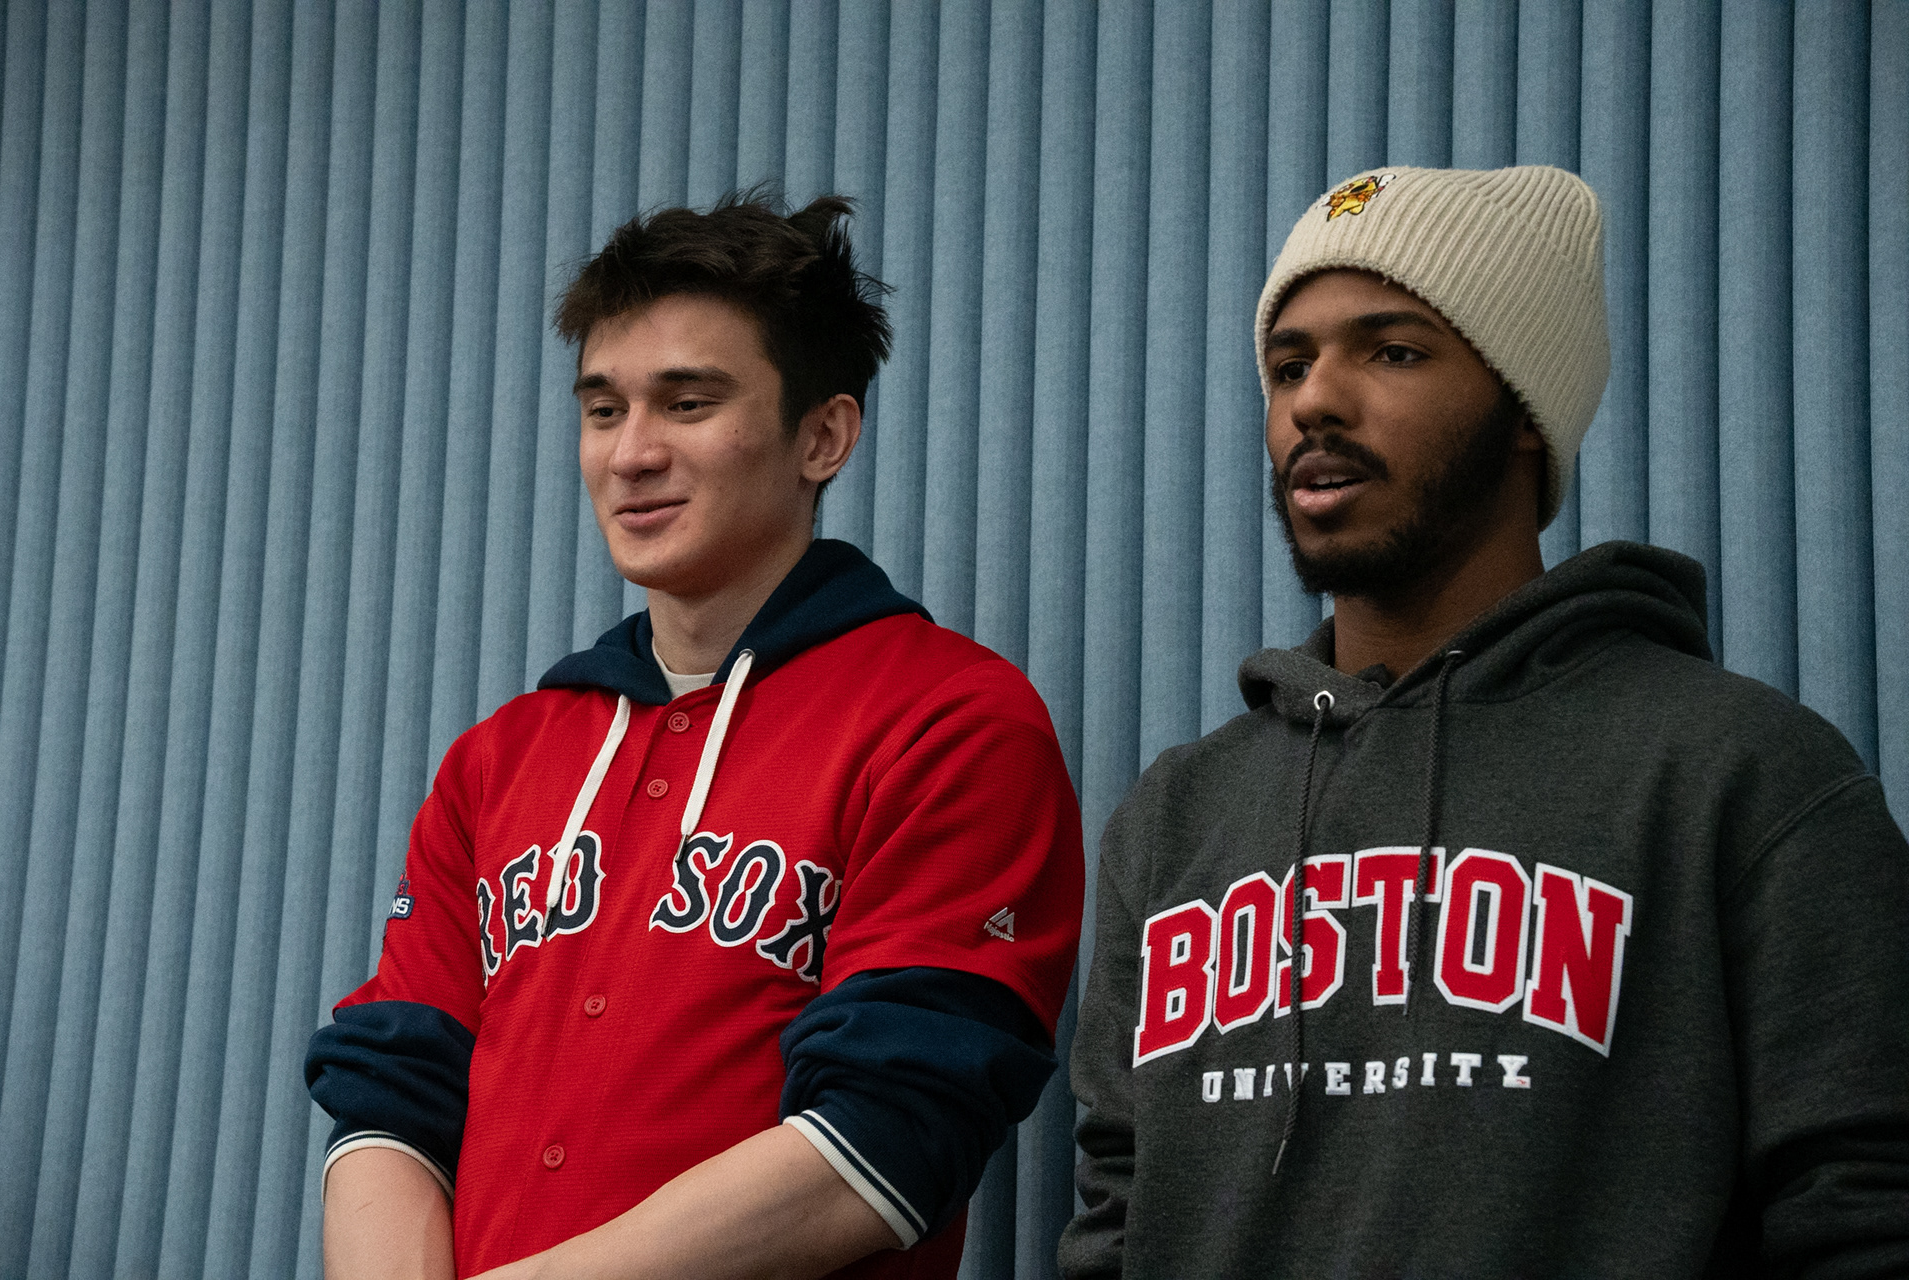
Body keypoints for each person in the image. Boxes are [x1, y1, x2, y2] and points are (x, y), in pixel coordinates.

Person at [1059, 165, 1909, 1277]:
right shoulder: (1179, 813)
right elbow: (1120, 1210)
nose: (1315, 401)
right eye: (1290, 365)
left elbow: (1863, 1208)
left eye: (1393, 351)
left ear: (1523, 413)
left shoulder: (1741, 775)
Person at [306, 191, 1084, 1280]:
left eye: (686, 403)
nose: (631, 453)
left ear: (823, 435)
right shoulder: (497, 761)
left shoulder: (952, 722)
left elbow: (888, 1135)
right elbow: (395, 1093)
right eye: (603, 409)